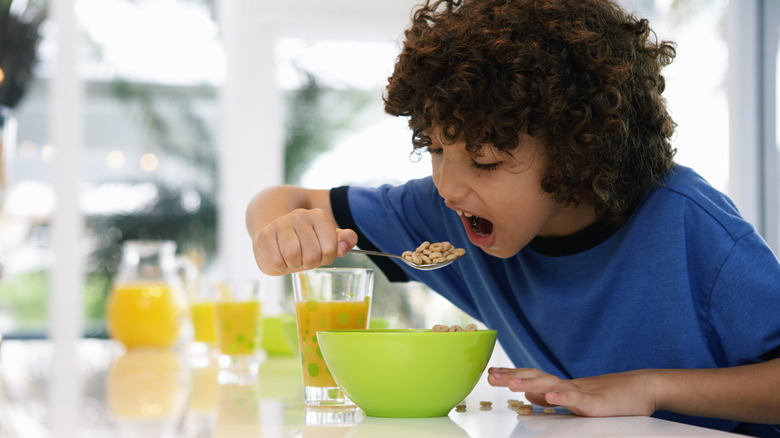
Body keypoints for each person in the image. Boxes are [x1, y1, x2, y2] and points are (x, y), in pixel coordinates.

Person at [246, 0, 780, 435]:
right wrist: (278, 234)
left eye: (485, 160)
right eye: (435, 149)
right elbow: (282, 199)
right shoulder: (449, 216)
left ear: (579, 149)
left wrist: (650, 386)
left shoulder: (692, 227)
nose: (448, 187)